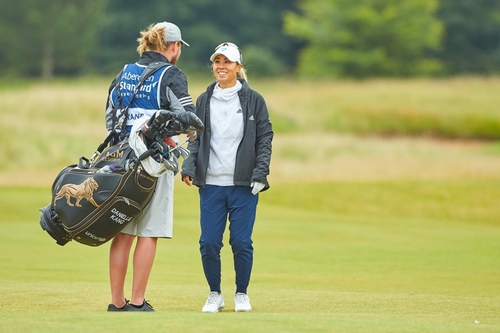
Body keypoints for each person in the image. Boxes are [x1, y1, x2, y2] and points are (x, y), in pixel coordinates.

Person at [104, 21, 195, 312]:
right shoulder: (172, 74)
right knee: (149, 231)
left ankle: (116, 302)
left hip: (120, 161)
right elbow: (188, 118)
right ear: (174, 47)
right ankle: (138, 302)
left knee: (124, 230)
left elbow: (110, 119)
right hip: (155, 161)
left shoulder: (124, 72)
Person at [181, 42, 273, 313]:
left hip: (244, 184)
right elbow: (195, 137)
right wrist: (189, 165)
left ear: (238, 66)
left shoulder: (254, 100)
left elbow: (265, 138)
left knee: (241, 242)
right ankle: (215, 294)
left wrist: (261, 172)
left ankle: (241, 294)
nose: (221, 66)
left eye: (227, 62)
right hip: (210, 183)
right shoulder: (204, 99)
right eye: (217, 61)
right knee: (209, 242)